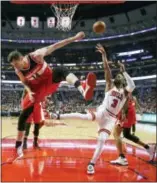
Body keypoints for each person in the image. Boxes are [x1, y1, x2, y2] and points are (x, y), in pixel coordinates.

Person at [8, 31, 96, 159]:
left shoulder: (36, 56)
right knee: (24, 116)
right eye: (13, 66)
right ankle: (18, 146)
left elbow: (56, 45)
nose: (15, 67)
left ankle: (83, 88)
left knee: (60, 70)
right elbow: (25, 82)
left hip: (49, 81)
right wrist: (29, 90)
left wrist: (75, 38)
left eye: (16, 64)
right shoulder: (18, 69)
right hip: (36, 90)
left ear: (21, 59)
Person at [52, 44, 136, 174]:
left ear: (123, 80)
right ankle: (58, 116)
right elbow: (106, 70)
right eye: (118, 75)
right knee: (83, 116)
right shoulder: (109, 85)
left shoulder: (125, 92)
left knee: (102, 139)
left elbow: (133, 84)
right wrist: (104, 55)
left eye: (121, 76)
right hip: (102, 112)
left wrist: (124, 71)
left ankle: (92, 163)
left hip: (111, 119)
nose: (118, 77)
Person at [110, 94, 155, 165]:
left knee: (116, 134)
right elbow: (134, 103)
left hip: (125, 112)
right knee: (127, 134)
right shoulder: (132, 95)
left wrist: (123, 113)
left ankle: (122, 158)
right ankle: (148, 148)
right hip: (130, 112)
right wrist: (139, 110)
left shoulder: (122, 89)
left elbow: (125, 99)